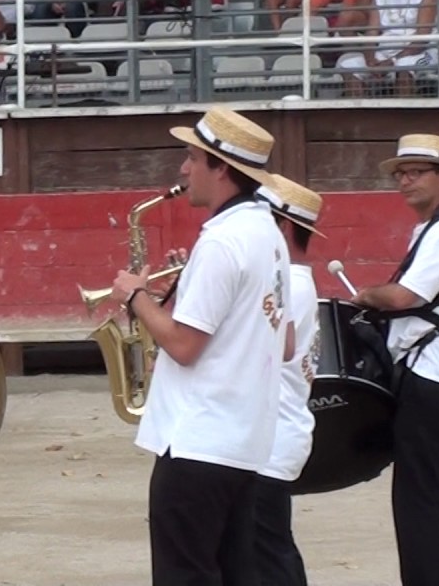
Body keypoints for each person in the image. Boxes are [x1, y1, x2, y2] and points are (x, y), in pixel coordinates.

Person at [110, 106, 293, 585]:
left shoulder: (223, 240)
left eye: (193, 158)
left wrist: (136, 297)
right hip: (242, 441)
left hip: (198, 442)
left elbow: (185, 345)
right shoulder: (268, 234)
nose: (184, 169)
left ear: (223, 170)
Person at [353, 134, 439, 586]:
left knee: (419, 494)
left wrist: (366, 295)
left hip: (435, 372)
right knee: (418, 492)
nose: (404, 181)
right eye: (400, 174)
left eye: (416, 172)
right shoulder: (435, 228)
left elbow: (407, 296)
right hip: (429, 369)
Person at [251, 173, 323, 586]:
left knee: (270, 556)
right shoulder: (296, 281)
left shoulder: (288, 284)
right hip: (278, 435)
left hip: (272, 439)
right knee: (270, 551)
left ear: (281, 227)